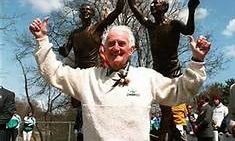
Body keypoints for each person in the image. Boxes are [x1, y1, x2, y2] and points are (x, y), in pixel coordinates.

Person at [29, 17, 210, 140]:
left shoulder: (146, 77)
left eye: (121, 43)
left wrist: (197, 61)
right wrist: (42, 41)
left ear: (131, 50)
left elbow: (180, 91)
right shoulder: (87, 78)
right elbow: (54, 72)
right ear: (104, 50)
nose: (116, 47)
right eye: (111, 43)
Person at [121, 0, 209, 141]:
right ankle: (173, 134)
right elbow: (134, 8)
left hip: (172, 72)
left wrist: (191, 7)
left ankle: (166, 136)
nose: (152, 5)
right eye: (152, 3)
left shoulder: (173, 24)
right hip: (157, 73)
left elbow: (189, 30)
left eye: (157, 3)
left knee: (168, 111)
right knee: (166, 112)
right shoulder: (150, 26)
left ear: (164, 7)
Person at [58, 0, 126, 141]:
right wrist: (62, 50)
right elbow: (67, 51)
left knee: (94, 104)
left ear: (92, 14)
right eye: (83, 10)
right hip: (78, 74)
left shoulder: (97, 28)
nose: (85, 12)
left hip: (95, 74)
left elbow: (117, 10)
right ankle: (81, 132)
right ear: (80, 14)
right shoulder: (74, 34)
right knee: (77, 105)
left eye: (88, 10)